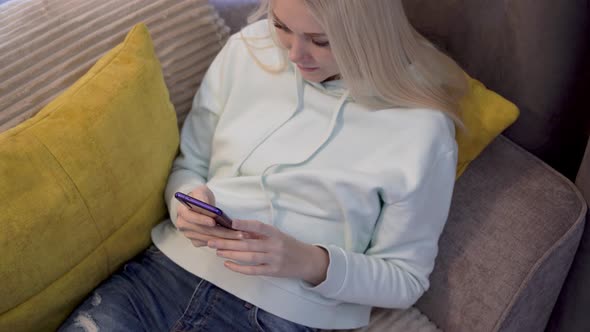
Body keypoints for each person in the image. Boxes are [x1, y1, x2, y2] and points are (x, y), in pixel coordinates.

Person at [60, 0, 467, 331]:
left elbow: (405, 278)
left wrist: (308, 261)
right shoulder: (248, 49)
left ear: (369, 37)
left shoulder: (422, 130)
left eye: (320, 40)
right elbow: (191, 165)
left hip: (279, 319)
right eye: (282, 26)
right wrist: (185, 206)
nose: (293, 53)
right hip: (161, 277)